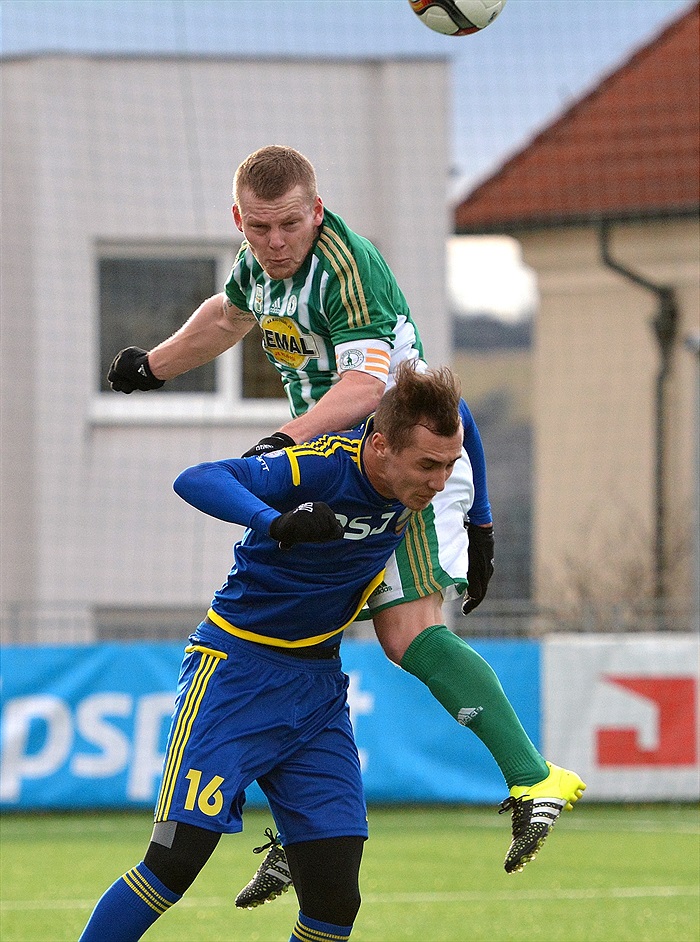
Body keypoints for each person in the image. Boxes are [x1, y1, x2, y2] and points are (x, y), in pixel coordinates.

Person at [107, 145, 585, 894]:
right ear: (240, 220)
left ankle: (535, 777)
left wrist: (285, 445)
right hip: (344, 470)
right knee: (299, 627)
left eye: (289, 224)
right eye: (260, 227)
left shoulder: (347, 272)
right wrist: (155, 365)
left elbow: (374, 385)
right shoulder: (260, 266)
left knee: (406, 632)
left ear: (317, 211)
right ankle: (305, 829)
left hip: (397, 469)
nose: (275, 242)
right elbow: (229, 315)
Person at [81, 364, 474, 942]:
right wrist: (275, 520)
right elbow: (197, 477)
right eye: (427, 466)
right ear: (381, 445)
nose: (439, 483)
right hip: (234, 672)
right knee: (173, 863)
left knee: (336, 894)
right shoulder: (319, 467)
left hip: (316, 691)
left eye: (449, 466)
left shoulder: (415, 479)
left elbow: (466, 434)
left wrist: (481, 521)